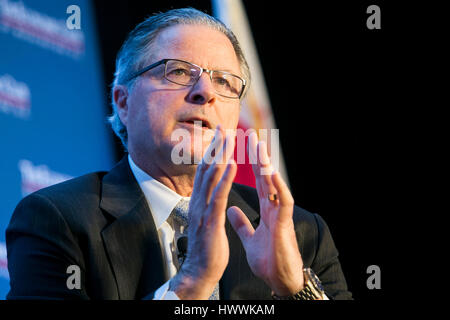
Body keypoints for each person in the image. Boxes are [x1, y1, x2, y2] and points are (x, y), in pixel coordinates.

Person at [6, 8, 351, 300]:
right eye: (179, 71)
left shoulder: (301, 234)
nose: (204, 92)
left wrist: (296, 288)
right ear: (123, 103)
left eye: (224, 82)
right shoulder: (59, 221)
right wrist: (192, 281)